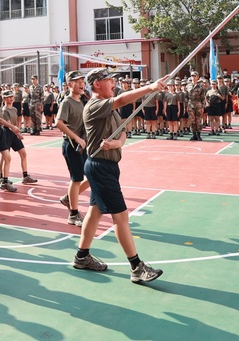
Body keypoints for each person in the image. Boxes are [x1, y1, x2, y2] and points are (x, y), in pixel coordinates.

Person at [72, 68, 167, 283]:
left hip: (108, 166)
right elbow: (121, 100)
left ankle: (82, 256)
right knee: (121, 216)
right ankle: (136, 267)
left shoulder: (109, 108)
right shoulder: (95, 105)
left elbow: (123, 130)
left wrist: (117, 143)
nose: (114, 84)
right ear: (97, 84)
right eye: (109, 81)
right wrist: (150, 87)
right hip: (100, 166)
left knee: (95, 212)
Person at [54, 71, 89, 227]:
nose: (81, 84)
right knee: (76, 179)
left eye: (82, 81)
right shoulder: (67, 102)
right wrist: (76, 138)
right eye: (77, 81)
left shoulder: (81, 101)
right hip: (72, 145)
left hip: (82, 144)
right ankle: (73, 214)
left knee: (91, 175)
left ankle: (69, 198)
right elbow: (59, 123)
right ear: (69, 84)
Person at [186, 72, 206, 141]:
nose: (193, 78)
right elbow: (186, 97)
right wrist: (187, 106)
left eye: (195, 76)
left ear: (197, 77)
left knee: (198, 120)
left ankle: (198, 134)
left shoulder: (201, 86)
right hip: (190, 104)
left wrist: (203, 106)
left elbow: (203, 97)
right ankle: (194, 134)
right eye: (192, 76)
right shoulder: (188, 86)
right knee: (192, 120)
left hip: (198, 104)